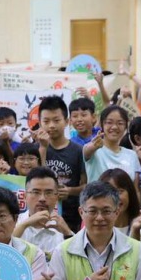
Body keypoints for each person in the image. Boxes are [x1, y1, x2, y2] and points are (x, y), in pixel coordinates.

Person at [36, 95, 86, 232]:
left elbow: (86, 185)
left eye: (56, 120)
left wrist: (70, 191)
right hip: (40, 217)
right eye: (46, 121)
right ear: (40, 123)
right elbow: (34, 179)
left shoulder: (78, 151)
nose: (51, 125)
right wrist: (43, 149)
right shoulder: (34, 149)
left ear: (67, 121)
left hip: (70, 218)